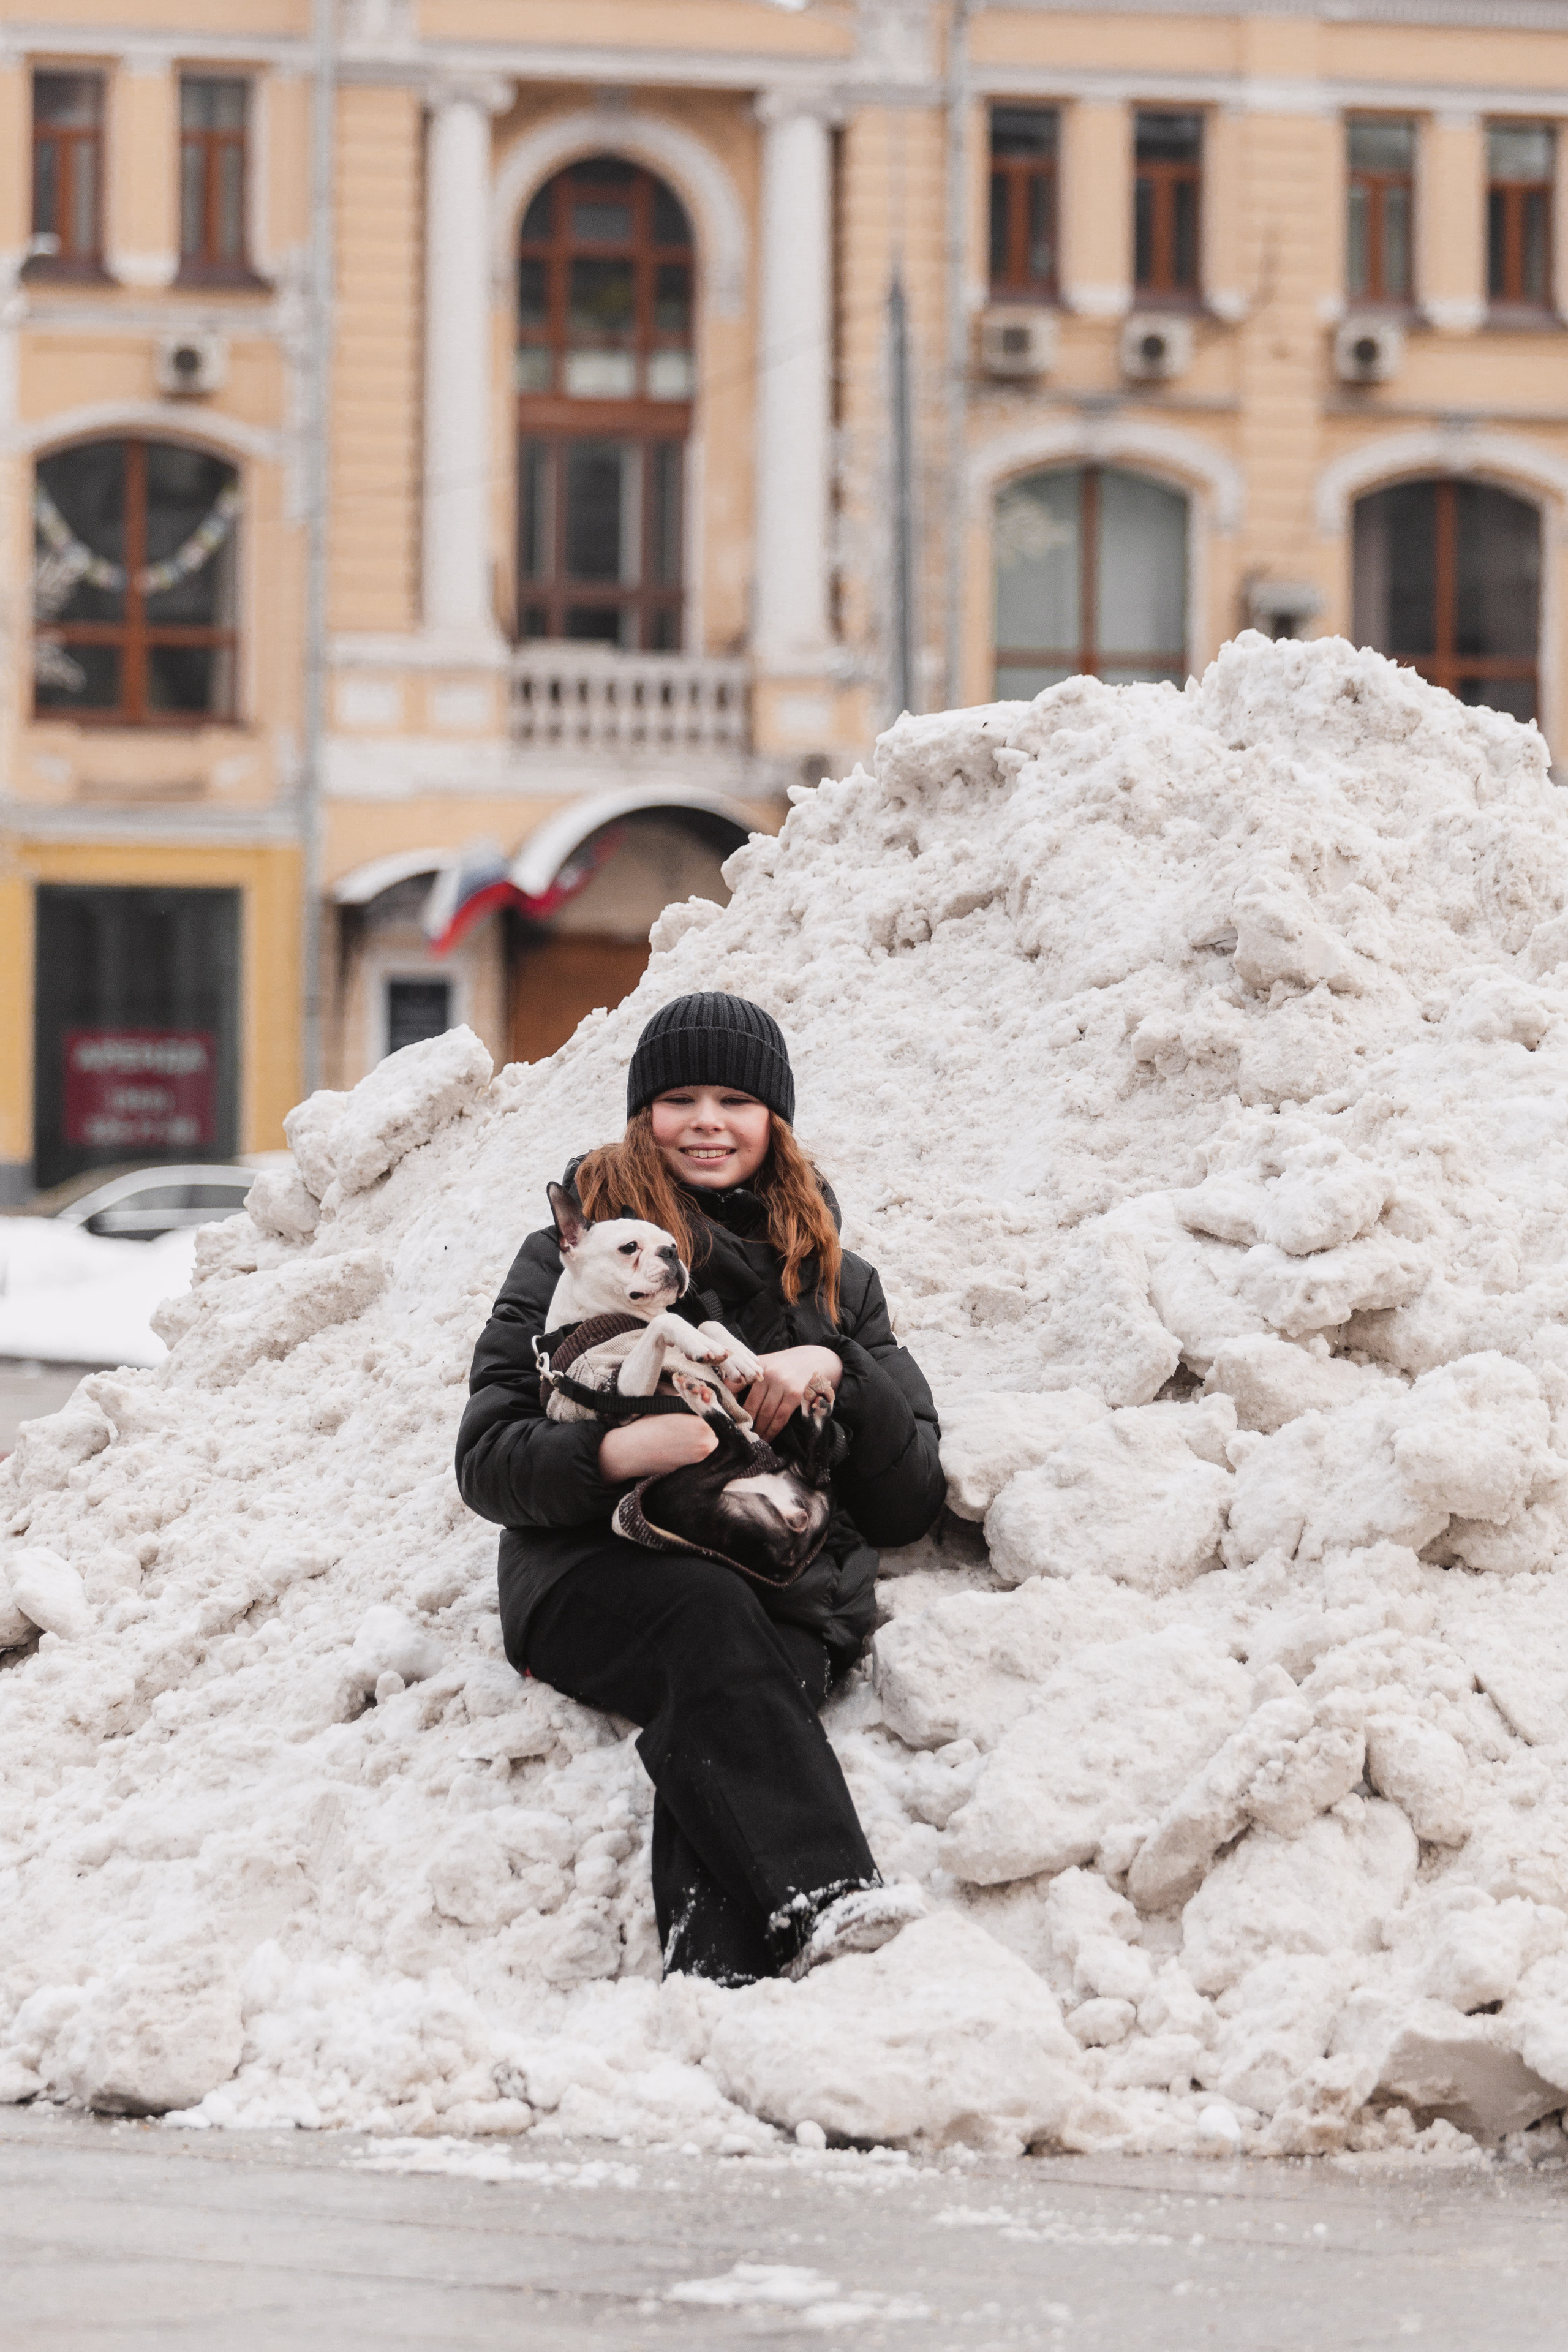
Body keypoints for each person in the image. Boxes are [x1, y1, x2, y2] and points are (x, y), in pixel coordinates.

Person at [456, 992, 946, 1985]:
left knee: (739, 1661)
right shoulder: (587, 1258)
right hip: (593, 1572)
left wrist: (835, 1364)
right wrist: (618, 1457)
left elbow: (910, 1502)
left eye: (736, 1099)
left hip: (782, 1579)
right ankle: (833, 1908)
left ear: (777, 1121)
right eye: (680, 1098)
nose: (709, 1122)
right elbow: (490, 1456)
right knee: (710, 1621)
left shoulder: (840, 1286)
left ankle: (716, 1991)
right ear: (645, 1115)